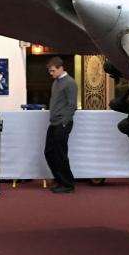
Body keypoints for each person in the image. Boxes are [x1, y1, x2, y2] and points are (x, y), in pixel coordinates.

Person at [44, 56, 78, 193]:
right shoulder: (56, 82)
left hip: (62, 124)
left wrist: (64, 122)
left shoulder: (70, 83)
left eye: (52, 71)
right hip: (54, 123)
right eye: (50, 71)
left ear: (60, 68)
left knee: (60, 154)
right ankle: (59, 180)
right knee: (49, 152)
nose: (51, 73)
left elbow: (72, 105)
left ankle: (67, 184)